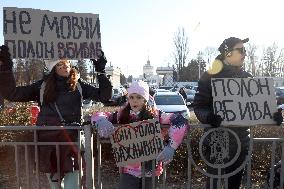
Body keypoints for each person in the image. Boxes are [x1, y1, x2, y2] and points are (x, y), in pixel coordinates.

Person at [0, 45, 112, 189]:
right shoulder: (42, 86)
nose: (65, 67)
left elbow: (104, 96)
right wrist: (5, 68)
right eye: (60, 64)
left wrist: (100, 71)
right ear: (53, 68)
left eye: (67, 63)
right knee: (55, 187)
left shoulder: (78, 85)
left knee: (73, 186)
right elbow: (12, 94)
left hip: (71, 143)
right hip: (48, 145)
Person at [192, 37, 283, 189]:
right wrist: (209, 117)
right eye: (241, 50)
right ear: (228, 53)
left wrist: (273, 116)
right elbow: (199, 106)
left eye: (245, 50)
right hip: (217, 140)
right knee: (213, 184)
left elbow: (257, 110)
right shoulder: (209, 76)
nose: (245, 54)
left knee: (234, 185)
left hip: (241, 142)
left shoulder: (248, 78)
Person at [91, 80, 190, 189]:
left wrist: (171, 146)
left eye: (139, 97)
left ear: (145, 99)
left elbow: (180, 121)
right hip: (128, 169)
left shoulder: (157, 115)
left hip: (151, 169)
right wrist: (101, 121)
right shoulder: (122, 114)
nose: (134, 101)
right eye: (131, 97)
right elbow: (97, 115)